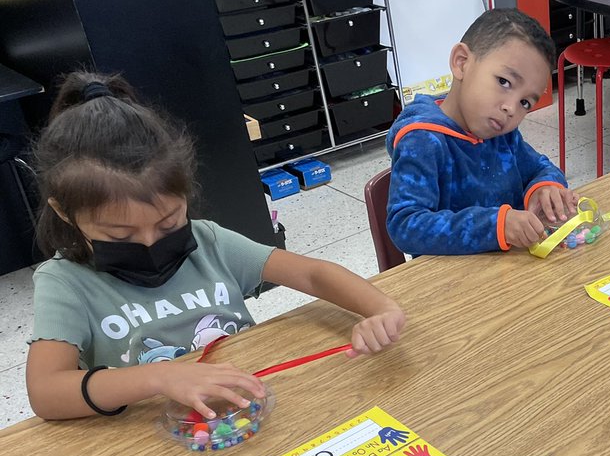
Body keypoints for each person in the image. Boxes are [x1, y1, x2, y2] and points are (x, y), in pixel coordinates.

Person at [27, 71, 407, 421]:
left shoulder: (207, 241)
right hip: (157, 440)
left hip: (245, 412)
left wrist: (380, 309)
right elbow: (45, 392)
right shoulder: (66, 283)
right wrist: (160, 377)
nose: (148, 242)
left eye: (169, 223)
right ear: (64, 212)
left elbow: (312, 273)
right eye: (120, 236)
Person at [385, 8, 577, 256]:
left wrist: (545, 188)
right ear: (461, 62)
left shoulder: (500, 133)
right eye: (504, 82)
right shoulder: (422, 141)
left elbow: (539, 168)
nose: (511, 108)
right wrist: (497, 226)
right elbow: (406, 225)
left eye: (525, 103)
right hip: (453, 283)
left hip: (509, 271)